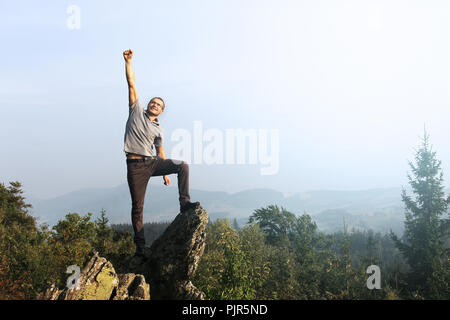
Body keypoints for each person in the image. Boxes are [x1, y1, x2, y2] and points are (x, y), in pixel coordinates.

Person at [123, 49, 199, 257]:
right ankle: (140, 248)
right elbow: (131, 83)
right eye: (153, 102)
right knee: (138, 207)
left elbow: (160, 150)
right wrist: (129, 62)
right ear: (148, 105)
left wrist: (165, 172)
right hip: (136, 166)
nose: (154, 105)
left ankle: (184, 204)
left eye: (159, 105)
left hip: (153, 163)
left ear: (162, 111)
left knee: (182, 165)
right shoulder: (136, 110)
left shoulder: (159, 129)